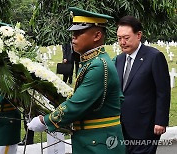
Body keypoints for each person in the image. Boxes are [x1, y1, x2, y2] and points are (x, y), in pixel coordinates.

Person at [27, 7, 125, 154]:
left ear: (97, 35)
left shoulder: (98, 65)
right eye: (73, 33)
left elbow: (77, 104)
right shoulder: (92, 61)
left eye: (79, 33)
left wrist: (45, 121)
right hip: (93, 141)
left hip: (99, 144)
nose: (73, 37)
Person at [114, 16, 171, 154]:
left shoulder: (154, 57)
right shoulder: (119, 60)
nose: (122, 42)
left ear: (138, 35)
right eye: (119, 38)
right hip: (122, 127)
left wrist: (161, 121)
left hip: (146, 126)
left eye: (126, 38)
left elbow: (163, 91)